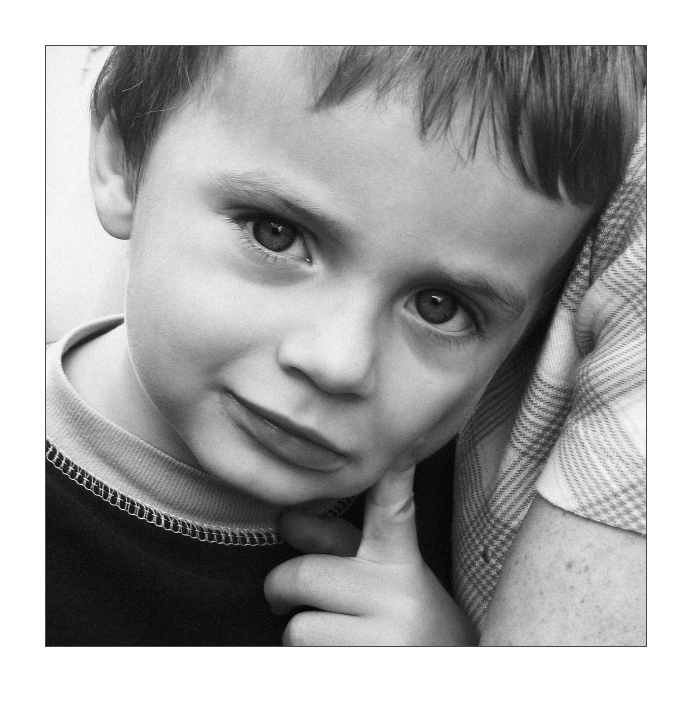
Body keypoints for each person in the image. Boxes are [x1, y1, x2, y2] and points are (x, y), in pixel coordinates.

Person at [46, 46, 646, 646]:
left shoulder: (478, 525)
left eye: (439, 307)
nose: (340, 363)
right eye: (276, 234)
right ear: (124, 161)